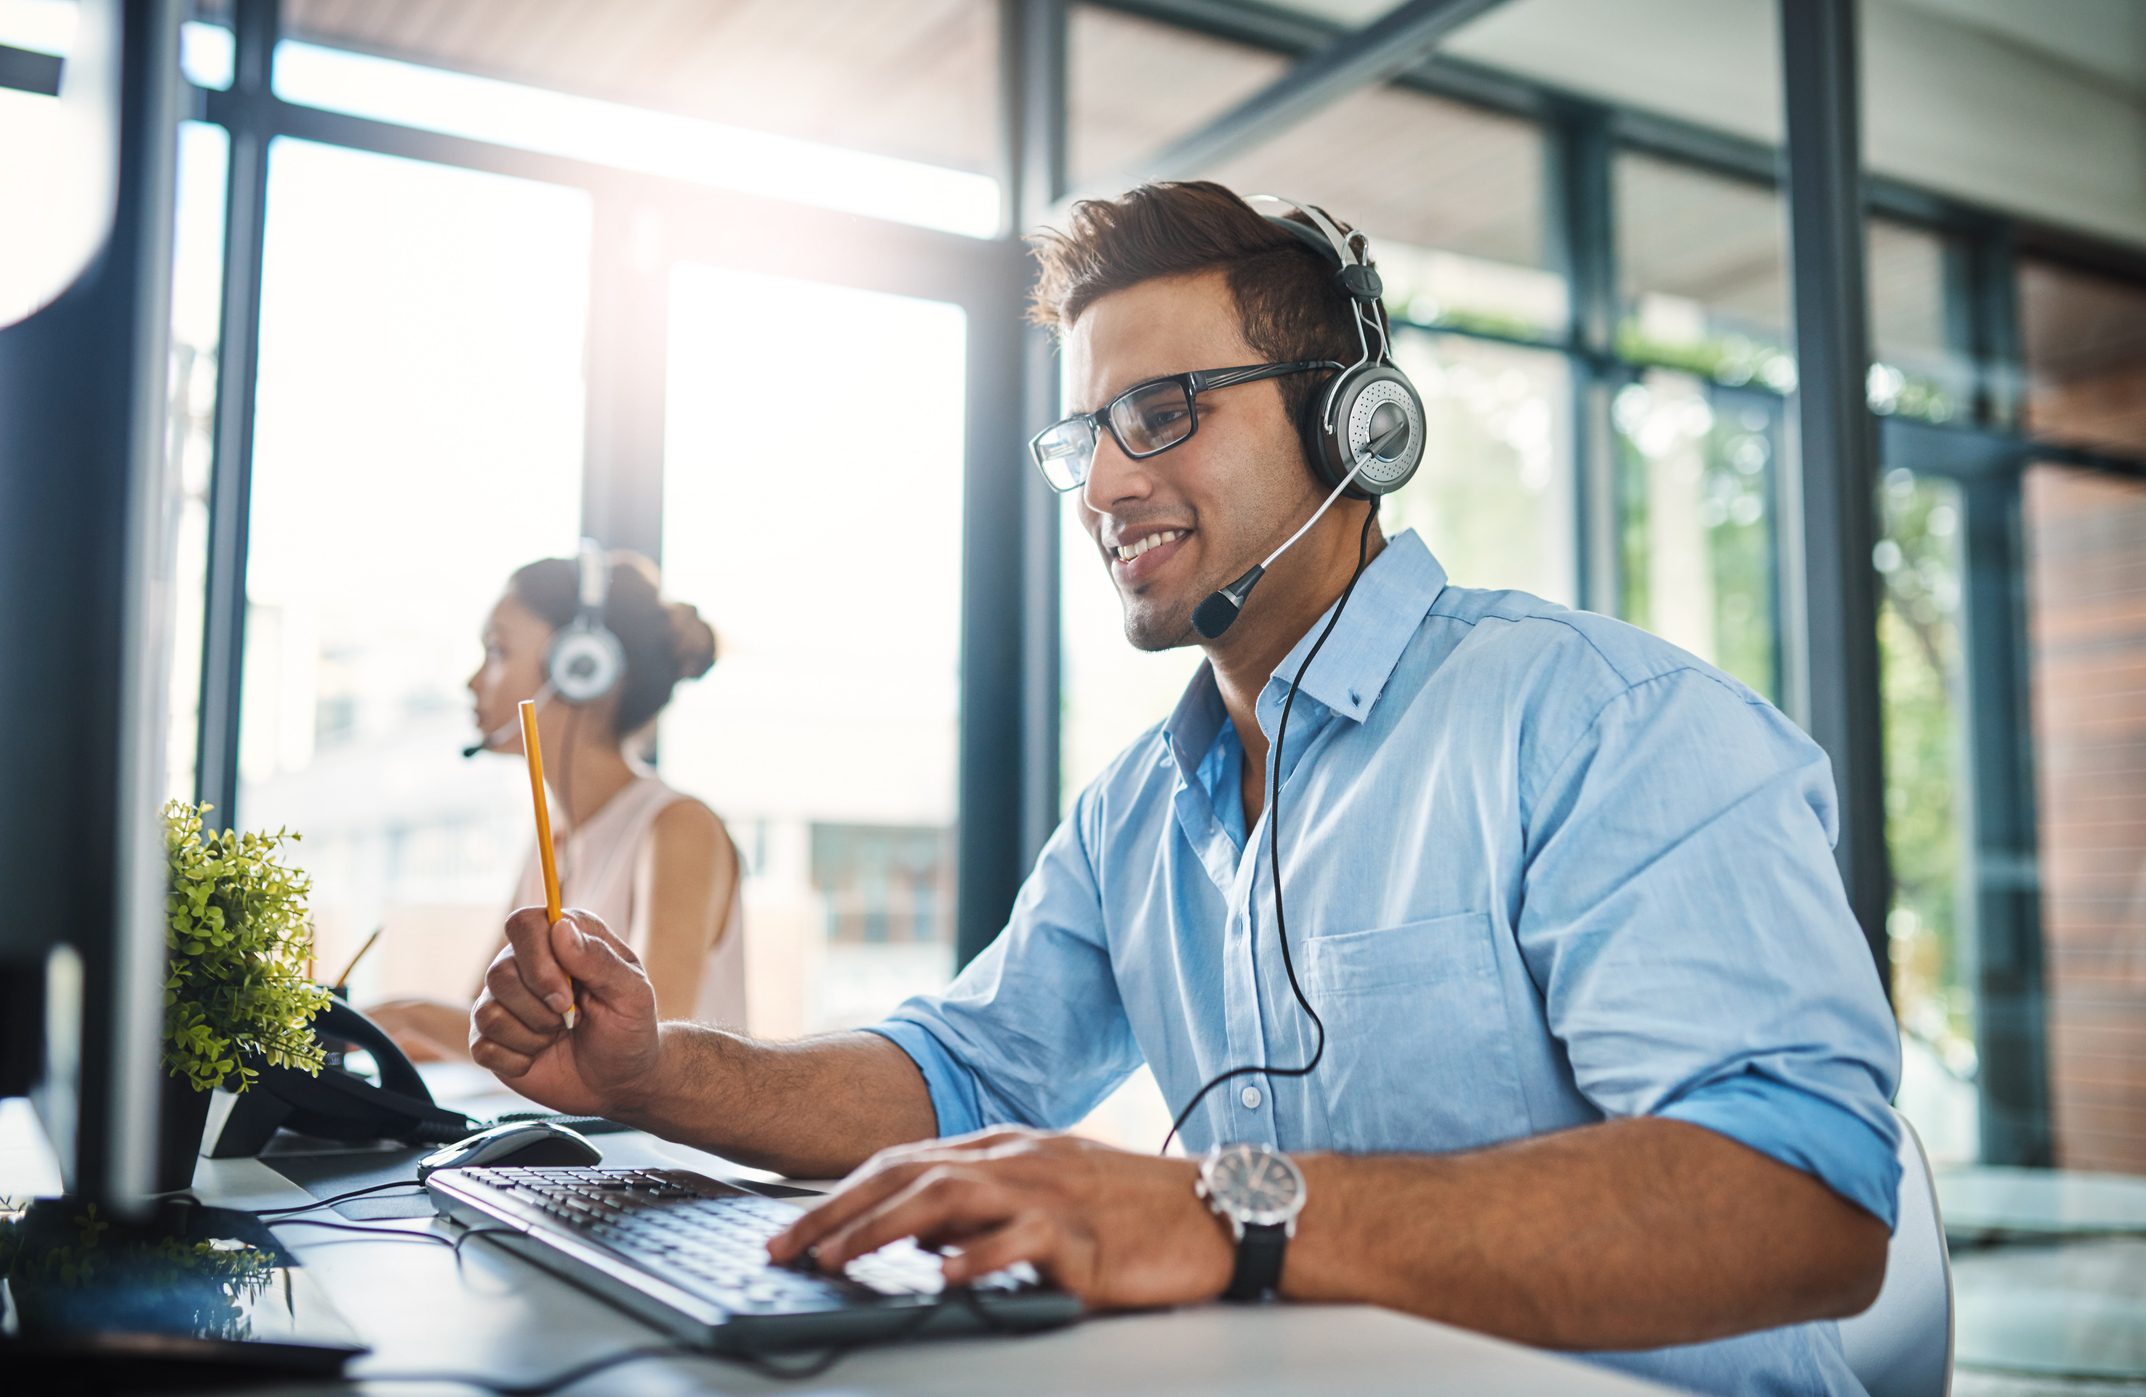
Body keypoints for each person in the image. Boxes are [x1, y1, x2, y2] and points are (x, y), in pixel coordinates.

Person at [467, 184, 1902, 1394]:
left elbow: (1801, 1199)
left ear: (1355, 429)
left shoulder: (1603, 722)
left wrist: (1221, 1212)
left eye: (1157, 411)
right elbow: (954, 1074)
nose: (1100, 487)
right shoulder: (1137, 810)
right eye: (1082, 434)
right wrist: (656, 1077)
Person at [367, 551, 745, 1060]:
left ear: (579, 667)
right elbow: (486, 1027)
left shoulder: (678, 829)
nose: (473, 682)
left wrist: (408, 1015)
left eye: (497, 651)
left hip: (656, 1144)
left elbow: (647, 1052)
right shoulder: (556, 838)